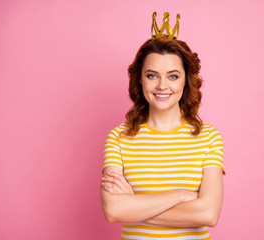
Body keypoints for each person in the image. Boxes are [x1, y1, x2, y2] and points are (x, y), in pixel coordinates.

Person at [100, 12, 226, 240]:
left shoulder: (208, 138)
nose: (162, 86)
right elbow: (114, 210)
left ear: (186, 80)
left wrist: (134, 204)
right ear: (139, 79)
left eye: (173, 76)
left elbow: (208, 213)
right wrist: (180, 195)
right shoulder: (119, 137)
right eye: (152, 75)